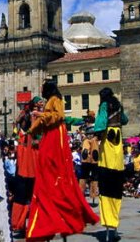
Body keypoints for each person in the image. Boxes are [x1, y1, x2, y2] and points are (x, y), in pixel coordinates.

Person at [25, 80, 99, 241]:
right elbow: (44, 121)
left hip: (55, 136)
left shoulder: (55, 100)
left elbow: (58, 116)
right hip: (50, 134)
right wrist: (31, 130)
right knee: (46, 168)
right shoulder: (50, 101)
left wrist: (40, 115)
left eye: (43, 88)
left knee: (52, 165)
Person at [96, 87, 128, 241]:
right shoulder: (118, 105)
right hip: (118, 140)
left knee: (106, 181)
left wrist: (96, 134)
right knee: (116, 182)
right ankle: (114, 228)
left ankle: (109, 226)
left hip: (108, 140)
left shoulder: (104, 106)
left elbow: (101, 123)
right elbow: (125, 120)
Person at [10, 96, 42, 239]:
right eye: (39, 101)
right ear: (35, 103)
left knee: (24, 190)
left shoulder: (26, 113)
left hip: (26, 150)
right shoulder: (34, 115)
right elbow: (34, 131)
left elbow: (16, 124)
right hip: (30, 151)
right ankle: (24, 224)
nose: (42, 103)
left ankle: (21, 224)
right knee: (29, 188)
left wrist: (19, 136)